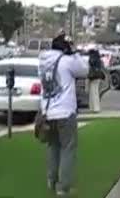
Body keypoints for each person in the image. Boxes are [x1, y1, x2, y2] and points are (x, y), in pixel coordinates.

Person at [39, 33, 89, 196]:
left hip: (48, 111)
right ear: (65, 47)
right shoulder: (67, 61)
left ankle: (51, 180)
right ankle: (63, 186)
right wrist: (74, 52)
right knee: (68, 148)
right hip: (65, 112)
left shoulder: (43, 62)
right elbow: (84, 70)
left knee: (53, 147)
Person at [87, 49, 105, 113]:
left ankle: (94, 108)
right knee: (95, 92)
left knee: (93, 92)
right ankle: (95, 107)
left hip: (93, 76)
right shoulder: (98, 59)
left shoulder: (92, 59)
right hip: (98, 76)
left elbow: (90, 63)